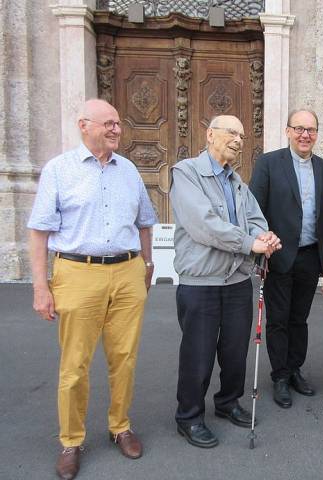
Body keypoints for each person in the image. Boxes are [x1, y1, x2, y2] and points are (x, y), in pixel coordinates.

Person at [28, 99, 157, 480]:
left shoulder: (129, 170)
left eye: (118, 123)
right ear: (84, 125)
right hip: (77, 272)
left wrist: (147, 266)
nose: (117, 129)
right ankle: (71, 440)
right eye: (108, 123)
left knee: (125, 358)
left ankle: (121, 426)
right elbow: (39, 233)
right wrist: (41, 286)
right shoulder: (59, 170)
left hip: (127, 271)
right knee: (74, 366)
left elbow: (145, 222)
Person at [170, 115, 281, 448]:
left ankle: (228, 402)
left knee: (234, 352)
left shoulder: (238, 184)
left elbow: (256, 221)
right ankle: (188, 417)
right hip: (201, 282)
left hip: (235, 281)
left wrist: (266, 237)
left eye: (243, 135)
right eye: (232, 132)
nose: (238, 140)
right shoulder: (186, 172)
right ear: (210, 134)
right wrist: (251, 243)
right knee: (198, 354)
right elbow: (204, 224)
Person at [249, 109, 323, 408]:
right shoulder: (269, 163)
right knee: (278, 319)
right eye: (299, 128)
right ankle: (280, 376)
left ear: (316, 134)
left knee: (299, 318)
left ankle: (296, 369)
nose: (305, 135)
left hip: (311, 255)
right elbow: (254, 209)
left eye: (310, 129)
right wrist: (263, 244)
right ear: (288, 131)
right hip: (279, 254)